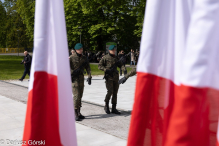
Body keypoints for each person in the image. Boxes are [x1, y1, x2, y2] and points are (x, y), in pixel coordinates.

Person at [98, 45, 126, 114]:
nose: (114, 51)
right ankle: (106, 105)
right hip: (109, 77)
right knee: (110, 91)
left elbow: (121, 65)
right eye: (113, 50)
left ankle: (114, 108)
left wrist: (124, 69)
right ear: (109, 50)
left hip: (116, 77)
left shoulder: (116, 58)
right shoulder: (105, 58)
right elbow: (99, 66)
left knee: (115, 92)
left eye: (114, 50)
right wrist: (106, 70)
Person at [70, 43, 92, 121]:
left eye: (82, 49)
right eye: (79, 49)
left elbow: (88, 67)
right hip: (74, 79)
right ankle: (75, 113)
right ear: (76, 50)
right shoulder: (71, 58)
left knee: (80, 96)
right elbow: (67, 67)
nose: (81, 50)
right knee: (76, 96)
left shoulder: (84, 58)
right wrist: (72, 72)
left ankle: (79, 112)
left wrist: (89, 76)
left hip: (81, 78)